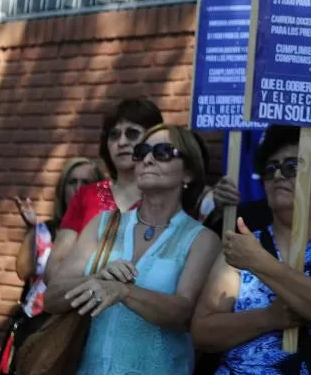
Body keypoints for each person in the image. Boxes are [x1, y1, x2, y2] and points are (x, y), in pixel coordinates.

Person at [192, 125, 311, 374]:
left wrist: (259, 262)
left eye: (291, 167)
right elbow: (202, 332)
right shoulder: (242, 245)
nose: (277, 176)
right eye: (270, 169)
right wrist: (268, 318)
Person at [44, 124, 221, 374]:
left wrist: (123, 291)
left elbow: (182, 311)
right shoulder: (104, 224)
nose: (147, 159)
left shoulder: (201, 239)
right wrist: (95, 278)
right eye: (142, 152)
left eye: (162, 152)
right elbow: (51, 298)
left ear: (188, 174)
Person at [0, 157, 103, 373]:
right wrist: (33, 230)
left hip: (82, 328)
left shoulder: (107, 230)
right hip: (37, 322)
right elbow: (22, 270)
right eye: (72, 182)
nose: (79, 189)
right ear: (62, 189)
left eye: (86, 182)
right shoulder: (47, 229)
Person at [44, 98, 163, 282]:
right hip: (83, 304)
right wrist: (98, 273)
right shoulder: (86, 195)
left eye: (132, 133)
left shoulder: (166, 197)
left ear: (153, 139)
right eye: (114, 135)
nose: (121, 142)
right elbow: (53, 272)